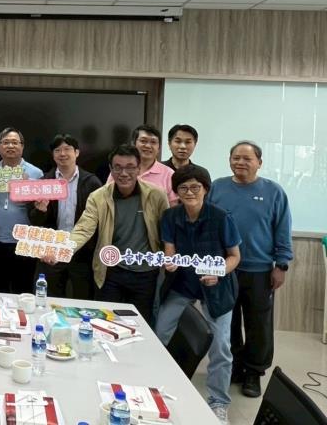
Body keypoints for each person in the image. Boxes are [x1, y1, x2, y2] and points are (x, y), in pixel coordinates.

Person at [154, 165, 241, 425]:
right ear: (176, 192)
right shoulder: (170, 216)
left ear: (205, 189)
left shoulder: (221, 217)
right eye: (183, 188)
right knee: (160, 332)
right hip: (183, 284)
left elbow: (235, 256)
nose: (189, 192)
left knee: (221, 347)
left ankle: (218, 402)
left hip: (217, 288)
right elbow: (169, 249)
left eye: (195, 187)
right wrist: (169, 262)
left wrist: (218, 272)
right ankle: (156, 387)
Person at [209, 141, 293, 398]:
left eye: (247, 158)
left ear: (259, 162)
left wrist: (281, 265)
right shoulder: (217, 187)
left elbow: (282, 230)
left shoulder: (273, 192)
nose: (240, 162)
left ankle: (254, 372)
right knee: (229, 322)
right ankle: (234, 367)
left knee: (258, 324)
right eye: (236, 157)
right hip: (225, 268)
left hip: (259, 270)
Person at [68, 145, 169, 321]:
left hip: (145, 272)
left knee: (139, 323)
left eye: (130, 167)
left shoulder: (156, 195)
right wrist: (62, 249)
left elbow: (167, 231)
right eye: (118, 167)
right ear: (111, 169)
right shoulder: (98, 197)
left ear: (139, 168)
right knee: (105, 321)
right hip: (111, 271)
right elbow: (83, 229)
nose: (124, 173)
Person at [29, 134, 102, 300]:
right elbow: (34, 221)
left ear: (77, 152)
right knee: (48, 299)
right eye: (57, 150)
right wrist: (40, 211)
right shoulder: (44, 182)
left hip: (82, 252)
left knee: (83, 300)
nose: (62, 154)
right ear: (53, 155)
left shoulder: (92, 182)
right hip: (51, 251)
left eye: (67, 149)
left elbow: (98, 220)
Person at [0, 127, 43, 294]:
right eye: (6, 142)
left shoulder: (35, 173)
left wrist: (29, 190)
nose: (10, 146)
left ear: (22, 146)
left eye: (15, 142)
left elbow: (42, 212)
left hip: (25, 241)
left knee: (23, 290)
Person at [109, 124, 176, 206]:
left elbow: (173, 207)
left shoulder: (169, 174)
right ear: (133, 144)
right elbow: (107, 197)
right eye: (143, 141)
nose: (148, 146)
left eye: (153, 142)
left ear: (159, 148)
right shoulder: (119, 170)